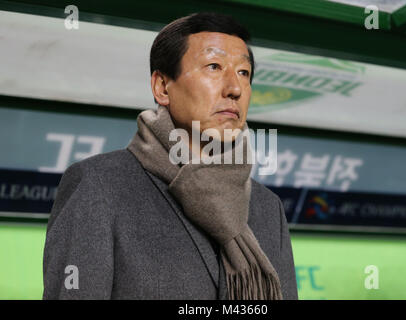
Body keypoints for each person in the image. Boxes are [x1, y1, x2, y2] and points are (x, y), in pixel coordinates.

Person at [42, 12, 298, 300]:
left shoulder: (267, 208)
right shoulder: (100, 186)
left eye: (244, 73)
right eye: (214, 66)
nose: (235, 89)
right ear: (162, 87)